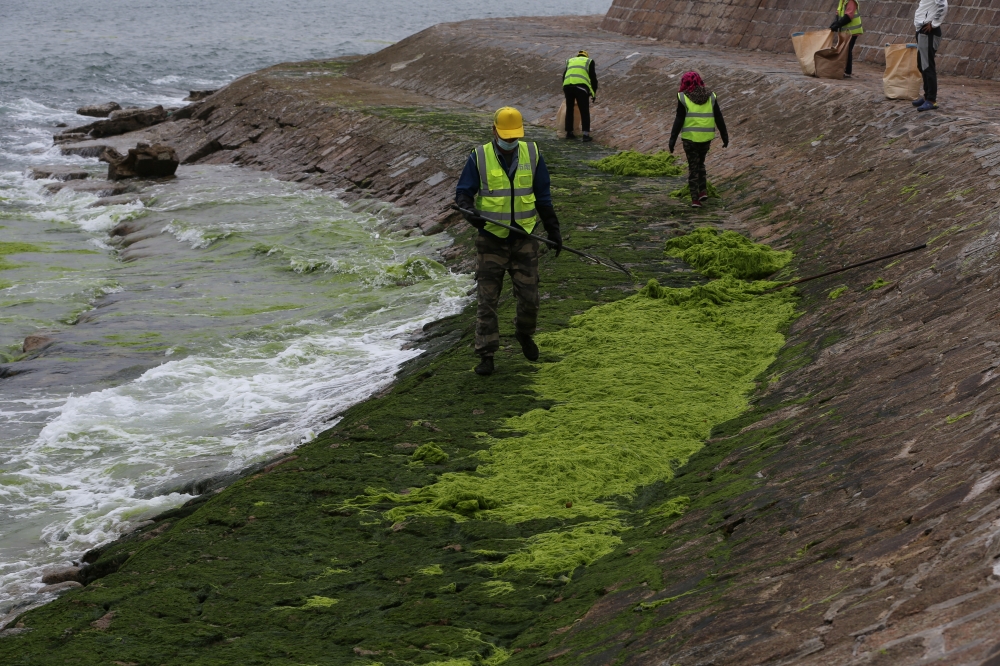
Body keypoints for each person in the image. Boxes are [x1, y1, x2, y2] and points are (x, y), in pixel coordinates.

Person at [455, 107, 563, 377]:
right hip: (491, 239)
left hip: (524, 238)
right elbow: (463, 195)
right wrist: (472, 215)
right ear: (494, 131)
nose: (511, 142)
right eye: (506, 136)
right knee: (487, 301)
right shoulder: (479, 157)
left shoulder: (533, 154)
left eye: (515, 137)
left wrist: (553, 231)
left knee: (530, 298)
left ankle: (524, 333)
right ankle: (487, 354)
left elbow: (543, 196)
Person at [668, 72, 729, 209]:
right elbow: (718, 117)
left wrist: (672, 140)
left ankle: (695, 199)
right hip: (706, 138)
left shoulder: (683, 97)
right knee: (700, 163)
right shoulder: (711, 96)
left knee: (693, 167)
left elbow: (679, 119)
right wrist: (725, 136)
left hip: (690, 138)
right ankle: (703, 191)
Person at [913, 0, 948, 112]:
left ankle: (932, 100)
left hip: (929, 31)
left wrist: (934, 24)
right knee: (922, 65)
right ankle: (927, 96)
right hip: (922, 30)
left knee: (927, 66)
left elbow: (943, 5)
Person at [562, 50, 598, 142]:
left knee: (570, 109)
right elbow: (593, 78)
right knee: (584, 110)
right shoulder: (589, 61)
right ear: (586, 56)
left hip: (567, 86)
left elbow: (564, 76)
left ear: (578, 56)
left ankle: (569, 133)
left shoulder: (570, 60)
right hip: (581, 88)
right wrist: (593, 93)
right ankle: (585, 135)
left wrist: (565, 89)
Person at [829, 0, 863, 78]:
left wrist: (838, 24)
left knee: (847, 50)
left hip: (852, 31)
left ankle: (847, 71)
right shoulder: (842, 1)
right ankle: (844, 69)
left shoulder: (850, 1)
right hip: (846, 31)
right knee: (844, 50)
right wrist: (835, 23)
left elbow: (848, 16)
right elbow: (838, 13)